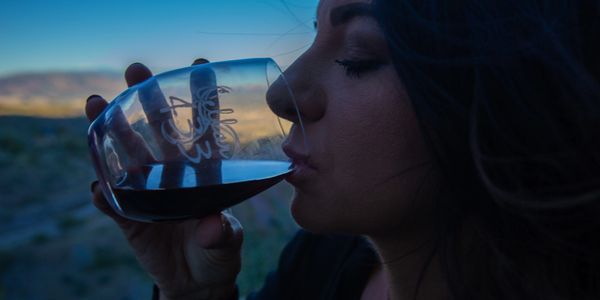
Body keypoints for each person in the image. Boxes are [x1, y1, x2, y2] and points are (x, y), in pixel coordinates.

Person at [85, 0, 600, 299]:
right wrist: (197, 297)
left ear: (507, 100)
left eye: (357, 57)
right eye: (313, 39)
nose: (281, 94)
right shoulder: (319, 261)